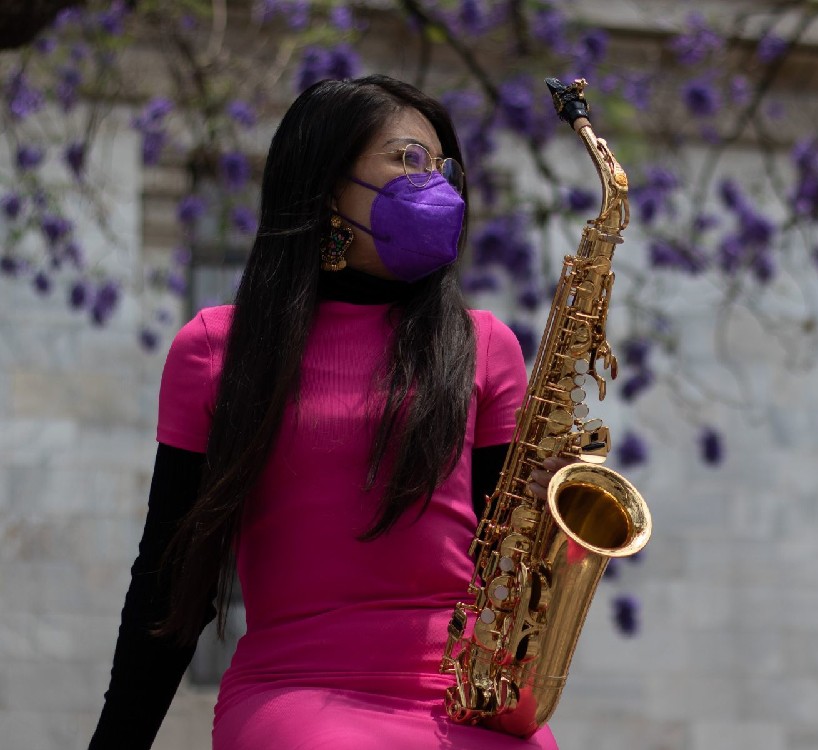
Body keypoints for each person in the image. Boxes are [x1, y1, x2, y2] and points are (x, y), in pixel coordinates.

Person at [90, 74, 565, 750]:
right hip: (300, 691)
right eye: (409, 160)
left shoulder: (485, 344)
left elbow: (508, 580)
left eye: (444, 168)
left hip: (462, 701)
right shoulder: (216, 349)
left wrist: (548, 520)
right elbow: (167, 588)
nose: (437, 186)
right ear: (327, 184)